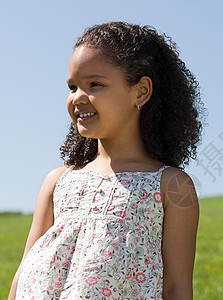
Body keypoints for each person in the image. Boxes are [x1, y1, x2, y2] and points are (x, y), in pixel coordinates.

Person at [8, 21, 204, 299]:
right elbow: (24, 271)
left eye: (95, 84)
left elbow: (177, 287)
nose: (78, 97)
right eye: (73, 86)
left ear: (140, 92)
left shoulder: (171, 186)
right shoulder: (58, 181)